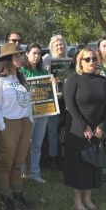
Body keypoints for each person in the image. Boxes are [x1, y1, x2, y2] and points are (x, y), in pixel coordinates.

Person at [63, 47, 106, 210]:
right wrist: (84, 126)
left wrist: (101, 126)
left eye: (94, 59)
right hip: (77, 128)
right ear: (80, 62)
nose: (92, 62)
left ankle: (88, 198)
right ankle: (77, 200)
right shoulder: (73, 79)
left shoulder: (103, 81)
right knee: (78, 164)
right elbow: (70, 104)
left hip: (96, 129)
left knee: (92, 163)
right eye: (87, 59)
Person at [0, 42, 33, 210]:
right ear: (8, 59)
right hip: (9, 124)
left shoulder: (20, 78)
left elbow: (27, 101)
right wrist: (2, 127)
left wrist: (29, 121)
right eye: (17, 55)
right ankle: (5, 198)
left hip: (23, 123)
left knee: (18, 162)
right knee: (6, 163)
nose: (20, 58)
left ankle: (17, 194)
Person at [21, 42, 49, 184]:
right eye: (34, 53)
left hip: (42, 112)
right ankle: (20, 172)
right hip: (26, 113)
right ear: (27, 54)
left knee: (37, 144)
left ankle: (34, 172)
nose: (37, 56)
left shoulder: (43, 71)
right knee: (24, 143)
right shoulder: (21, 71)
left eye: (39, 53)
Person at [42, 34, 69, 169]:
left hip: (66, 98)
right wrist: (50, 79)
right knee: (52, 129)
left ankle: (65, 157)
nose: (59, 47)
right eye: (57, 45)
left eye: (61, 44)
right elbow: (42, 78)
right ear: (52, 47)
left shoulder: (68, 61)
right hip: (52, 99)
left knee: (65, 129)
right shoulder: (47, 59)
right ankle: (53, 158)